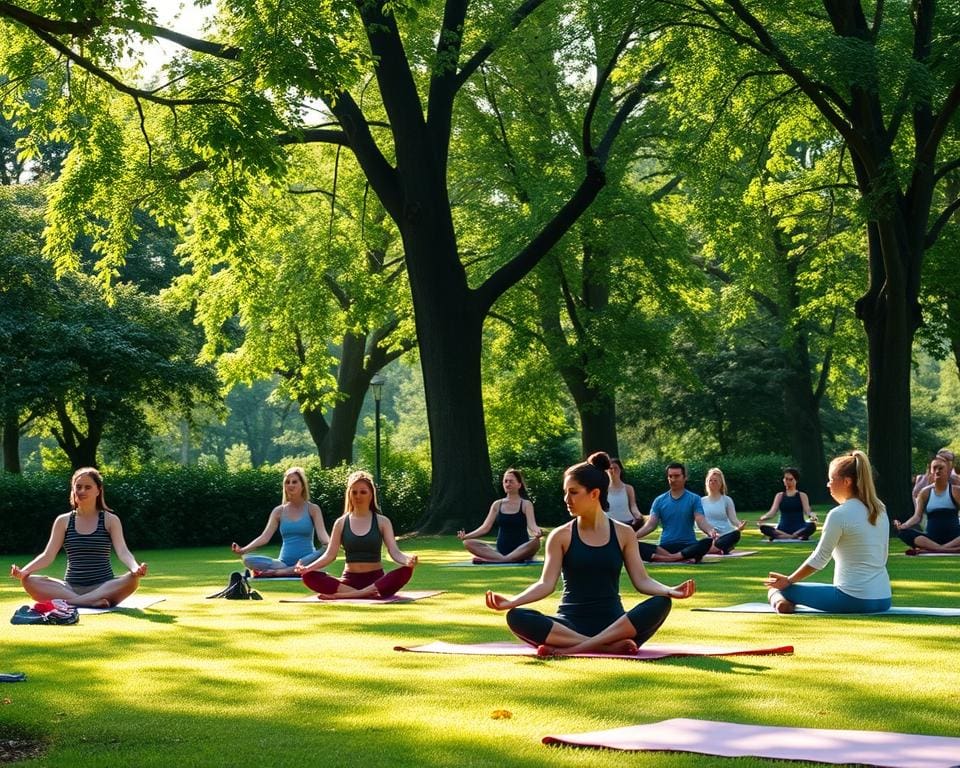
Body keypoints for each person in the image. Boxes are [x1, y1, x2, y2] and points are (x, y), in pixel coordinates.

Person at [485, 452, 695, 656]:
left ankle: (575, 648)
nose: (567, 499)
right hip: (569, 625)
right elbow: (545, 584)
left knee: (661, 602)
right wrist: (512, 602)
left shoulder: (624, 533)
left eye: (574, 492)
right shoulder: (561, 536)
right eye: (565, 492)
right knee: (517, 617)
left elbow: (642, 581)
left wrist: (670, 590)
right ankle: (605, 647)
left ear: (594, 494)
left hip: (616, 624)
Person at [763, 450, 891, 614]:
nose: (828, 484)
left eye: (831, 479)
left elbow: (820, 559)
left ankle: (783, 601)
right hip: (883, 598)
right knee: (787, 587)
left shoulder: (838, 514)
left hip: (853, 599)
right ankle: (786, 602)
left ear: (846, 481)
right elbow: (883, 554)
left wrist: (788, 580)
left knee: (777, 589)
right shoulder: (880, 509)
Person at [9, 467, 147, 608]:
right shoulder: (63, 521)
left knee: (132, 579)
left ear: (98, 491)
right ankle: (91, 601)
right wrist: (24, 571)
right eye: (78, 487)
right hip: (70, 588)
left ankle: (72, 603)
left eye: (88, 487)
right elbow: (48, 555)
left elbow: (123, 551)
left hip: (103, 587)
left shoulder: (110, 520)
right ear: (73, 489)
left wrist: (135, 568)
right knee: (28, 581)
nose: (82, 491)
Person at [295, 470, 417, 598]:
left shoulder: (382, 522)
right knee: (308, 576)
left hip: (375, 581)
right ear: (349, 494)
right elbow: (330, 555)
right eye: (354, 492)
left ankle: (346, 595)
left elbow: (394, 552)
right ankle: (362, 594)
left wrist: (407, 560)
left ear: (371, 495)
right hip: (348, 582)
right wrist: (308, 568)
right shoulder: (341, 522)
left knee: (406, 571)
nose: (358, 496)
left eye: (363, 492)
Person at [231, 466, 329, 576]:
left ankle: (280, 573)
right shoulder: (279, 511)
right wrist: (243, 550)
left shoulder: (313, 509)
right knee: (247, 559)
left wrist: (331, 543)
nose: (290, 485)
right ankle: (288, 571)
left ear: (302, 485)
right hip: (282, 563)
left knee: (327, 549)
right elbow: (265, 537)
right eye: (287, 482)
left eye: (294, 482)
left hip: (307, 561)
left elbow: (322, 535)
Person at [633, 462, 716, 563]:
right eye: (670, 476)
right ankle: (677, 558)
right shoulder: (659, 500)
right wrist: (633, 536)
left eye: (676, 476)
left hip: (688, 546)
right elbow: (651, 525)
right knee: (635, 545)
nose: (673, 479)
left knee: (706, 543)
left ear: (685, 478)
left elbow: (700, 520)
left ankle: (669, 558)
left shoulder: (694, 499)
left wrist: (710, 531)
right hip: (664, 547)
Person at [457, 469, 542, 563]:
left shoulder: (526, 504)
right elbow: (485, 527)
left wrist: (537, 532)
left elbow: (532, 525)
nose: (507, 484)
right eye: (505, 481)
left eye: (511, 481)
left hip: (521, 549)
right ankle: (505, 559)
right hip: (501, 550)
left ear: (519, 485)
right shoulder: (497, 504)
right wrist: (466, 536)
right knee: (468, 543)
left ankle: (495, 561)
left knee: (536, 543)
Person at [896, 455, 960, 553]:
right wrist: (904, 526)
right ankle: (948, 550)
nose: (937, 471)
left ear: (947, 471)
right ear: (931, 471)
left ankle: (932, 550)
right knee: (903, 532)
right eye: (934, 468)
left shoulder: (956, 491)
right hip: (931, 538)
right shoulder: (925, 492)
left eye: (941, 468)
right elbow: (917, 517)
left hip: (954, 537)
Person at [757, 468, 818, 540]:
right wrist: (762, 518)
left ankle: (785, 536)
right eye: (786, 479)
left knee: (812, 526)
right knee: (763, 528)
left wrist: (812, 515)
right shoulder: (779, 495)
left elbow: (807, 511)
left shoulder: (802, 495)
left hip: (799, 527)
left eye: (790, 479)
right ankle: (793, 537)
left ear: (796, 480)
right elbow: (772, 512)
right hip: (782, 528)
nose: (788, 481)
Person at [701, 467, 746, 554]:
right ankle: (719, 549)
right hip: (709, 535)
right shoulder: (701, 501)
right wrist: (710, 532)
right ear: (707, 482)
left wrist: (739, 525)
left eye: (716, 480)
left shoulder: (727, 500)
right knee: (704, 543)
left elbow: (733, 518)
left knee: (735, 534)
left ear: (721, 483)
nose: (713, 482)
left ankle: (717, 548)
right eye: (711, 480)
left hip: (725, 535)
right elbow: (699, 521)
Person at [605, 458, 644, 531]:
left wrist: (638, 515)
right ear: (606, 471)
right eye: (610, 468)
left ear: (620, 470)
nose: (613, 471)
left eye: (615, 468)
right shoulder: (603, 489)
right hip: (608, 525)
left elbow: (633, 505)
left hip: (627, 524)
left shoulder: (628, 488)